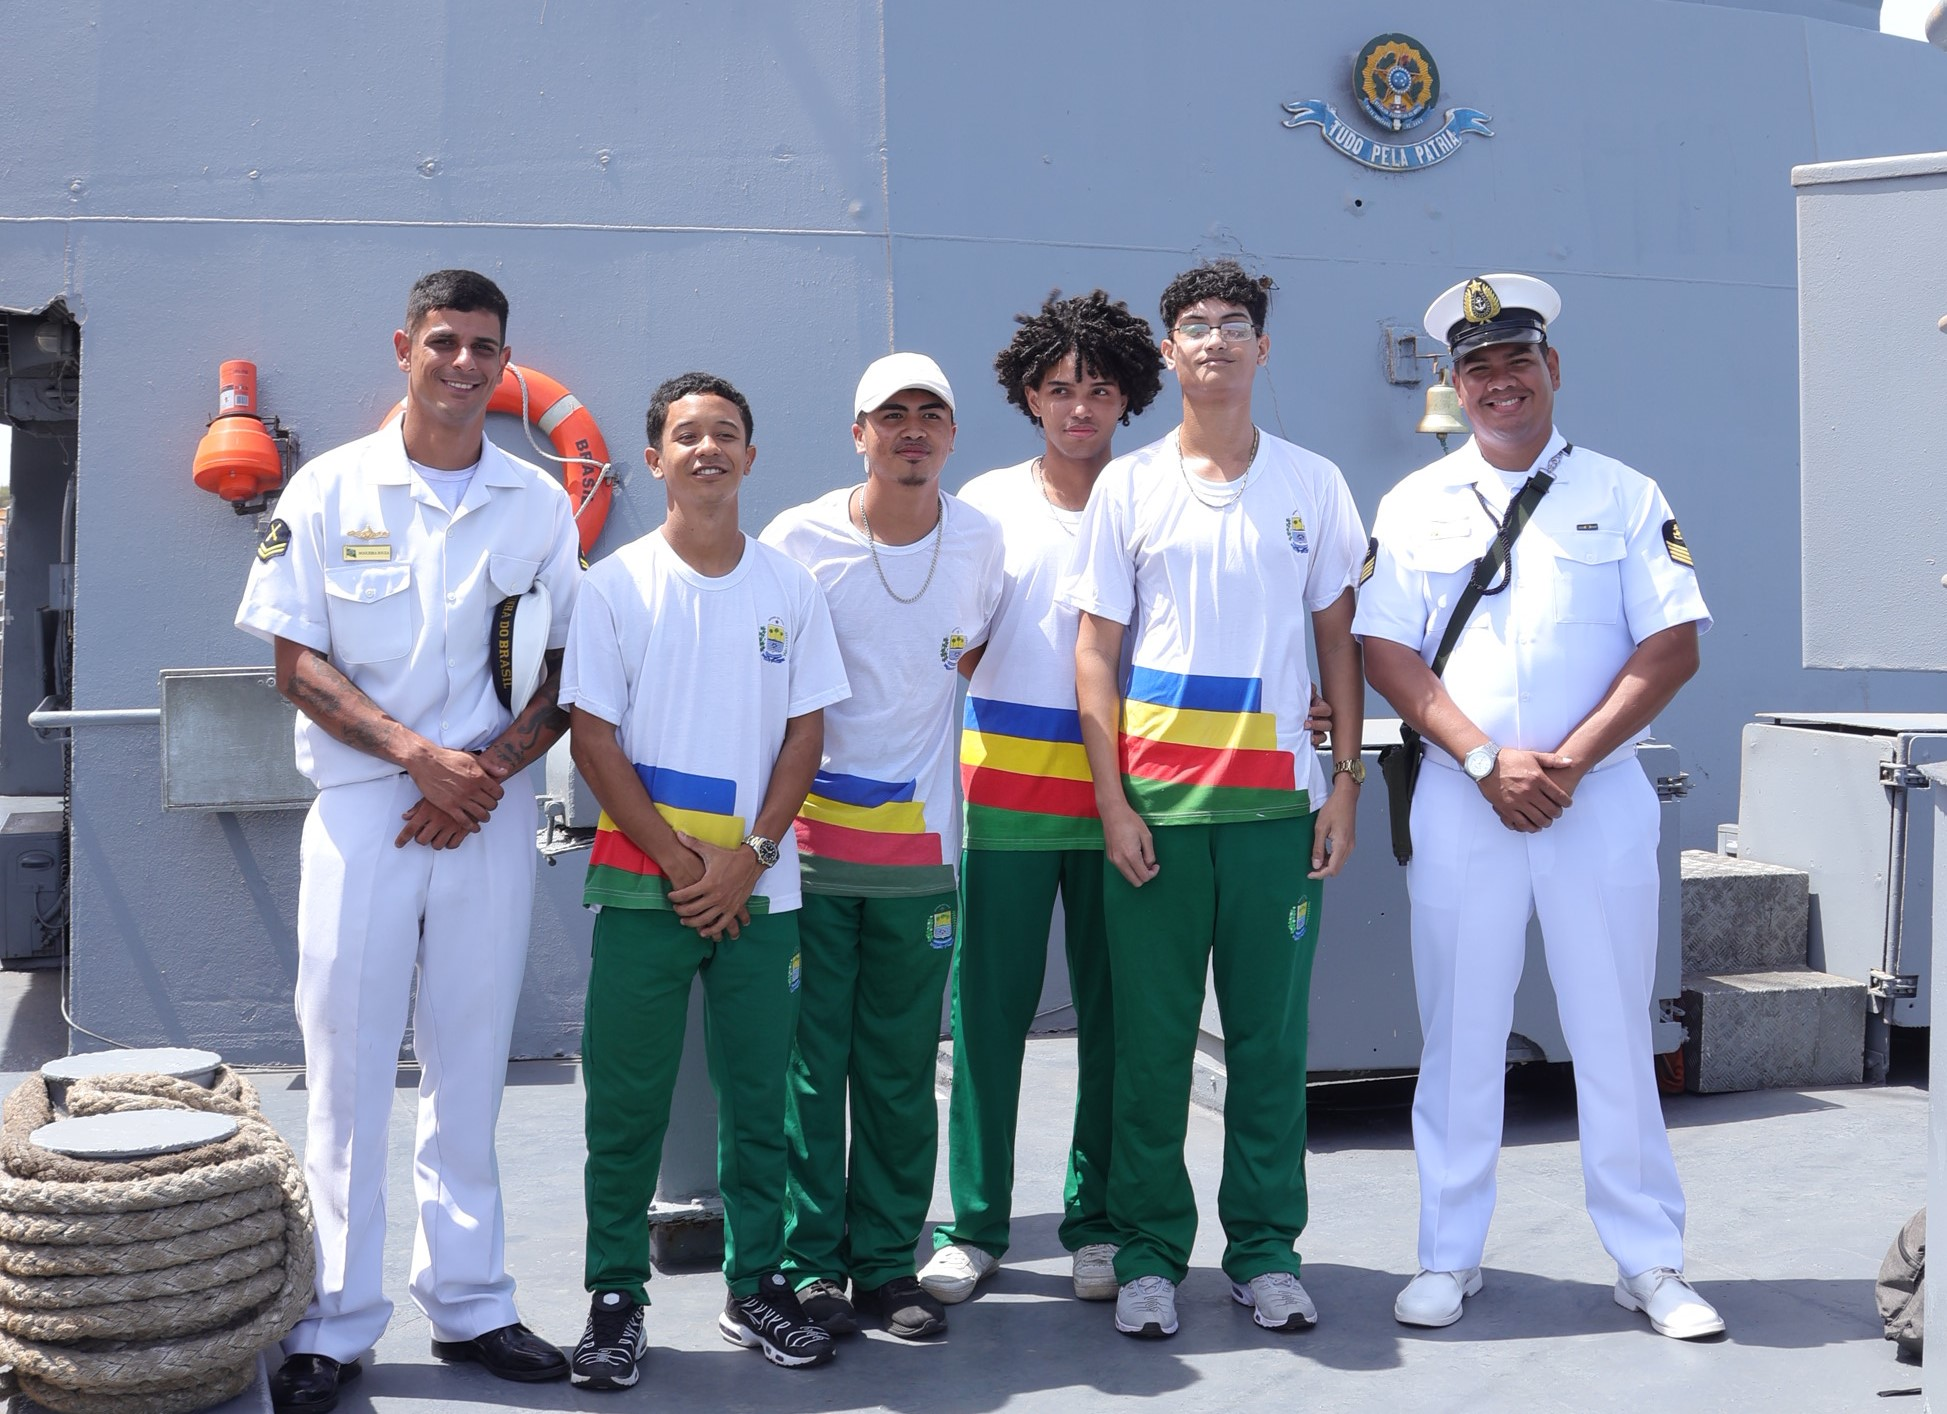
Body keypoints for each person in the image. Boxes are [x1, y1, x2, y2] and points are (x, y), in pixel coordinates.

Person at [236, 269, 580, 1412]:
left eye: (484, 346)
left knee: (472, 1064)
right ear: (405, 348)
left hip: (485, 815)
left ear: (504, 360)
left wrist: (474, 777)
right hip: (362, 813)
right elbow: (295, 662)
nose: (464, 364)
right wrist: (417, 757)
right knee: (345, 1076)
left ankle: (472, 1302)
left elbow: (566, 672)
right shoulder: (329, 488)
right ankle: (332, 1322)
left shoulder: (537, 504)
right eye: (444, 341)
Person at [1355, 273, 1721, 1340]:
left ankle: (1648, 1260)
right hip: (1464, 801)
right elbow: (1385, 650)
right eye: (1477, 368)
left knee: (1614, 1031)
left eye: (1517, 360)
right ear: (1454, 385)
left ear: (1551, 368)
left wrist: (1564, 762)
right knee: (1459, 1034)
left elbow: (1672, 644)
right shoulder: (1413, 505)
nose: (1499, 382)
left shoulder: (1626, 493)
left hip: (1592, 801)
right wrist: (1483, 761)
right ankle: (1447, 1255)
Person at [1060, 259, 1366, 1340]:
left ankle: (1266, 1251)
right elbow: (1094, 653)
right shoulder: (1129, 487)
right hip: (1159, 815)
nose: (1217, 340)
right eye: (1195, 324)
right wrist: (1112, 802)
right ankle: (1148, 1254)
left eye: (1237, 324)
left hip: (1277, 815)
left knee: (1269, 1051)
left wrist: (1344, 785)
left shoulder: (1314, 484)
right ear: (1169, 350)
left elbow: (1339, 643)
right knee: (1148, 1049)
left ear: (1262, 349)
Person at [562, 372, 851, 1387]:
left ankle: (757, 1284)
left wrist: (752, 857)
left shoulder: (788, 588)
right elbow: (593, 739)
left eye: (726, 432)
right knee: (625, 1105)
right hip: (646, 888)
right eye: (687, 435)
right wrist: (688, 865)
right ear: (655, 459)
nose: (707, 448)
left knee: (760, 1100)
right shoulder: (614, 586)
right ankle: (614, 1298)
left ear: (750, 456)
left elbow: (806, 731)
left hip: (760, 892)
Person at [918, 290, 1163, 1308]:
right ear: (1028, 395)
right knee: (986, 1017)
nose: (1079, 407)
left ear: (1127, 398)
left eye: (1099, 389)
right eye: (1059, 388)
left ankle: (1095, 1224)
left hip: (1131, 800)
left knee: (1116, 1019)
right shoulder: (984, 506)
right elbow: (956, 647)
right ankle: (974, 1225)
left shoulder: (1153, 495)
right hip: (1005, 797)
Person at [760, 353, 1004, 1341]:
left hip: (919, 855)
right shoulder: (798, 539)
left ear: (951, 433)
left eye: (929, 413)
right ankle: (811, 1264)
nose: (912, 429)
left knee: (902, 1069)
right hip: (808, 850)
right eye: (890, 414)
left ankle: (886, 1264)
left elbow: (980, 659)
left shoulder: (980, 541)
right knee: (812, 1067)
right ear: (857, 433)